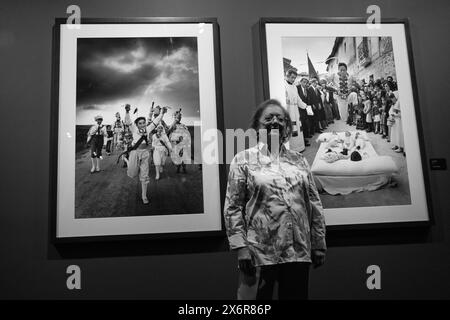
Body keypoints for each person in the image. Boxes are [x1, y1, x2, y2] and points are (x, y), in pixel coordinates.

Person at [223, 99, 327, 300]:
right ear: (257, 126)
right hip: (259, 253)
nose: (275, 122)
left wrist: (319, 243)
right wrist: (240, 247)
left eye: (280, 118)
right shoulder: (242, 159)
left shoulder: (299, 160)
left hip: (298, 250)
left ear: (287, 126)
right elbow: (233, 207)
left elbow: (314, 202)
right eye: (268, 118)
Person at [123, 106, 167, 204]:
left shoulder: (148, 129)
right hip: (135, 153)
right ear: (137, 125)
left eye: (143, 123)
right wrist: (127, 111)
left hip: (145, 154)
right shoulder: (133, 129)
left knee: (144, 175)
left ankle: (144, 196)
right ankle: (128, 161)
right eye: (140, 123)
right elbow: (128, 121)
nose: (142, 125)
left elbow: (156, 121)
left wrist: (162, 113)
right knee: (132, 173)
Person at [284, 69, 308, 150]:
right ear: (287, 76)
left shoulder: (294, 86)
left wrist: (305, 106)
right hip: (288, 110)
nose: (293, 79)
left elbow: (298, 99)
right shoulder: (283, 85)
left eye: (294, 78)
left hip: (295, 110)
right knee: (291, 129)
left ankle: (299, 147)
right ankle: (292, 149)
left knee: (298, 129)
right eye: (292, 77)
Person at [168, 109, 192, 173]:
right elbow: (170, 130)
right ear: (175, 117)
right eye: (178, 117)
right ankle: (178, 168)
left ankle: (184, 168)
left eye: (180, 117)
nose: (179, 118)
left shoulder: (183, 125)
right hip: (176, 144)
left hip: (183, 143)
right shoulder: (173, 125)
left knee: (184, 156)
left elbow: (186, 133)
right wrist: (175, 119)